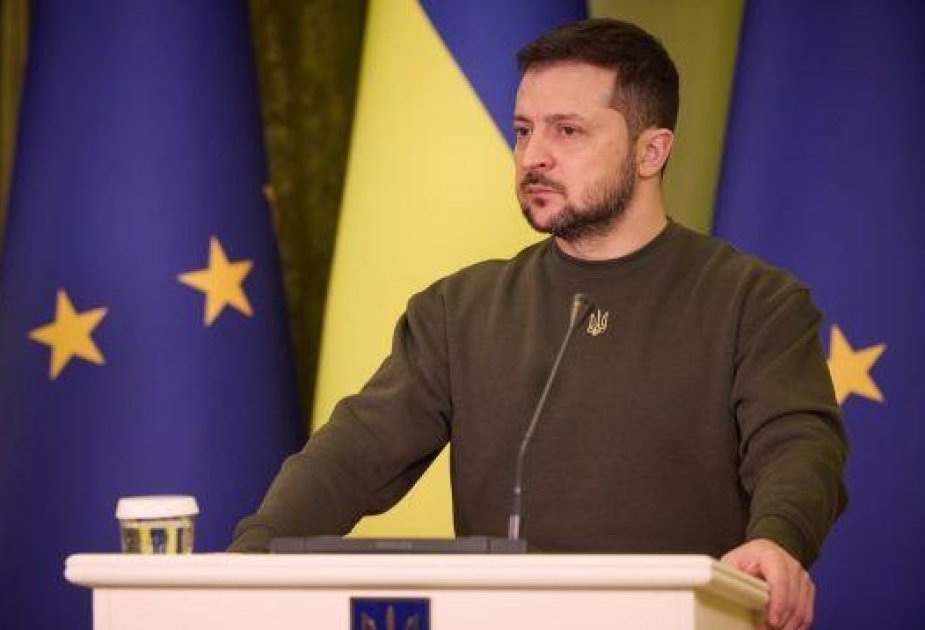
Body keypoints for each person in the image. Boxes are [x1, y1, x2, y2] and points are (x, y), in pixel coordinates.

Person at [231, 18, 847, 630]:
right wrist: (248, 561)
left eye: (567, 131)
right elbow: (352, 455)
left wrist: (778, 538)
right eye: (524, 130)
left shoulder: (754, 302)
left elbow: (798, 446)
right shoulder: (459, 311)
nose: (533, 156)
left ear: (651, 151)